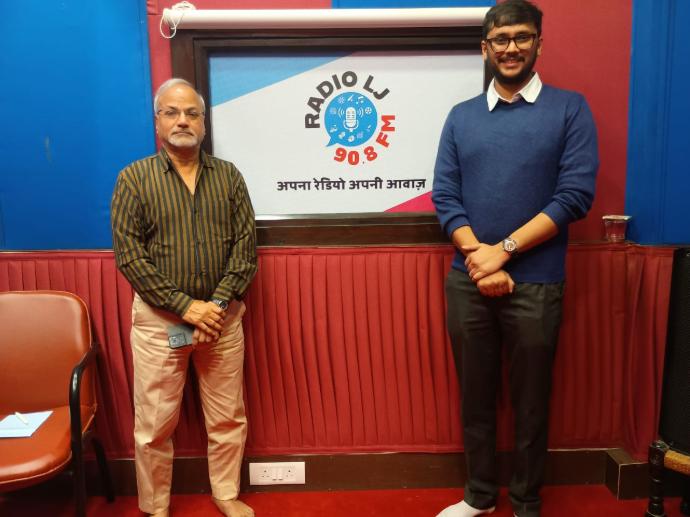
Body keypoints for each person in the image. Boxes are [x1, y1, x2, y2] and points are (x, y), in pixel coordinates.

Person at [432, 1, 598, 516]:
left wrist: (502, 252)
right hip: (468, 280)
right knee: (475, 397)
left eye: (522, 37)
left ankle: (527, 502)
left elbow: (574, 197)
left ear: (539, 45)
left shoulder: (570, 109)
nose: (511, 48)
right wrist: (479, 260)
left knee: (531, 402)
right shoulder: (461, 117)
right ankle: (479, 496)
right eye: (500, 39)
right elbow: (445, 197)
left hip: (538, 282)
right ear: (485, 48)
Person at [111, 78, 257, 517]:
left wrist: (216, 307)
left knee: (228, 416)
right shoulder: (134, 179)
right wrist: (186, 307)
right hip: (160, 325)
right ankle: (155, 506)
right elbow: (130, 257)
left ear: (204, 123)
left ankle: (226, 494)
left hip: (222, 322)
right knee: (154, 425)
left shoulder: (229, 177)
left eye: (192, 113)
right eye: (172, 112)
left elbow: (245, 250)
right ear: (157, 121)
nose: (182, 121)